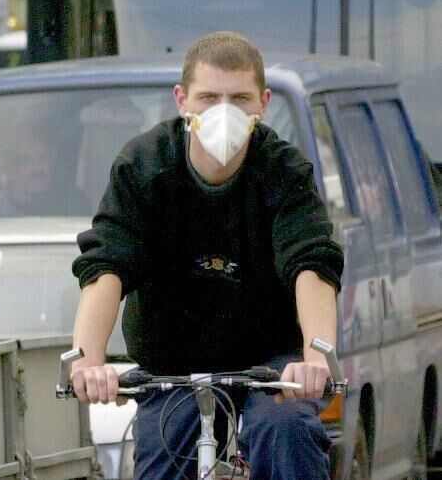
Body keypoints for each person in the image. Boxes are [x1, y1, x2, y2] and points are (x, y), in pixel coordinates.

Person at [68, 31, 343, 479]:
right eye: (208, 97)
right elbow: (106, 263)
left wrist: (315, 358)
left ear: (263, 103)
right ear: (181, 100)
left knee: (286, 429)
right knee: (161, 461)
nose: (223, 111)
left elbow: (311, 262)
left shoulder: (285, 171)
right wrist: (88, 359)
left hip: (269, 361)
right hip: (172, 365)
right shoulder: (143, 166)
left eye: (239, 98)